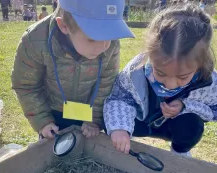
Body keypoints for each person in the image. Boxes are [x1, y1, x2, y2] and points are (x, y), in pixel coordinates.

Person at [104, 4, 217, 156]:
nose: (169, 84)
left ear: (199, 65)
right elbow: (119, 98)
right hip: (140, 122)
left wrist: (186, 106)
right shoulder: (135, 70)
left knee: (192, 125)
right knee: (110, 120)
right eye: (160, 73)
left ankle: (179, 152)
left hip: (171, 127)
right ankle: (128, 137)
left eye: (182, 76)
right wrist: (120, 128)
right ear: (149, 54)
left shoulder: (208, 81)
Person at [12, 0, 134, 140]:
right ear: (64, 26)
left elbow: (106, 85)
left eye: (110, 36)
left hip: (89, 114)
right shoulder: (34, 40)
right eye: (92, 39)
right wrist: (43, 121)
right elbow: (26, 86)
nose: (104, 47)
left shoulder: (111, 45)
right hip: (52, 113)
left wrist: (94, 120)